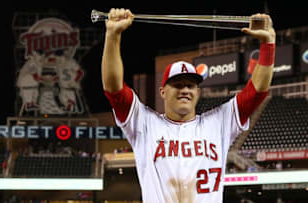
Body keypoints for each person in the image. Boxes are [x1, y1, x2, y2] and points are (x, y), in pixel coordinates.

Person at [102, 8, 275, 203]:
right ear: (163, 92)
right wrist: (113, 36)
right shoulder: (144, 124)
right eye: (177, 84)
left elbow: (257, 92)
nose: (185, 89)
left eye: (191, 85)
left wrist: (268, 45)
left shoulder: (219, 122)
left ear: (198, 92)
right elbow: (113, 89)